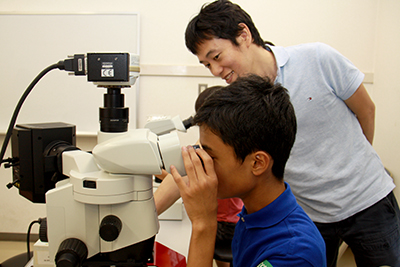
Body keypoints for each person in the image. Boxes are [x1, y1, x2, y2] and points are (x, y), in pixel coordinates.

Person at [180, 1, 400, 266]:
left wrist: (352, 169)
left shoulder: (317, 59)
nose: (215, 71)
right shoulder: (244, 96)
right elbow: (206, 151)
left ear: (244, 35)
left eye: (216, 57)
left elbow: (367, 111)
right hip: (311, 212)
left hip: (367, 200)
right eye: (206, 65)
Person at [171, 74, 326, 267]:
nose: (204, 164)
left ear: (257, 163)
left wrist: (204, 223)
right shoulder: (252, 216)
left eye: (212, 157)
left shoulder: (292, 254)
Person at [154, 86, 243, 267]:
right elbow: (179, 181)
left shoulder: (201, 156)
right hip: (232, 222)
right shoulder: (202, 153)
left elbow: (179, 181)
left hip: (225, 227)